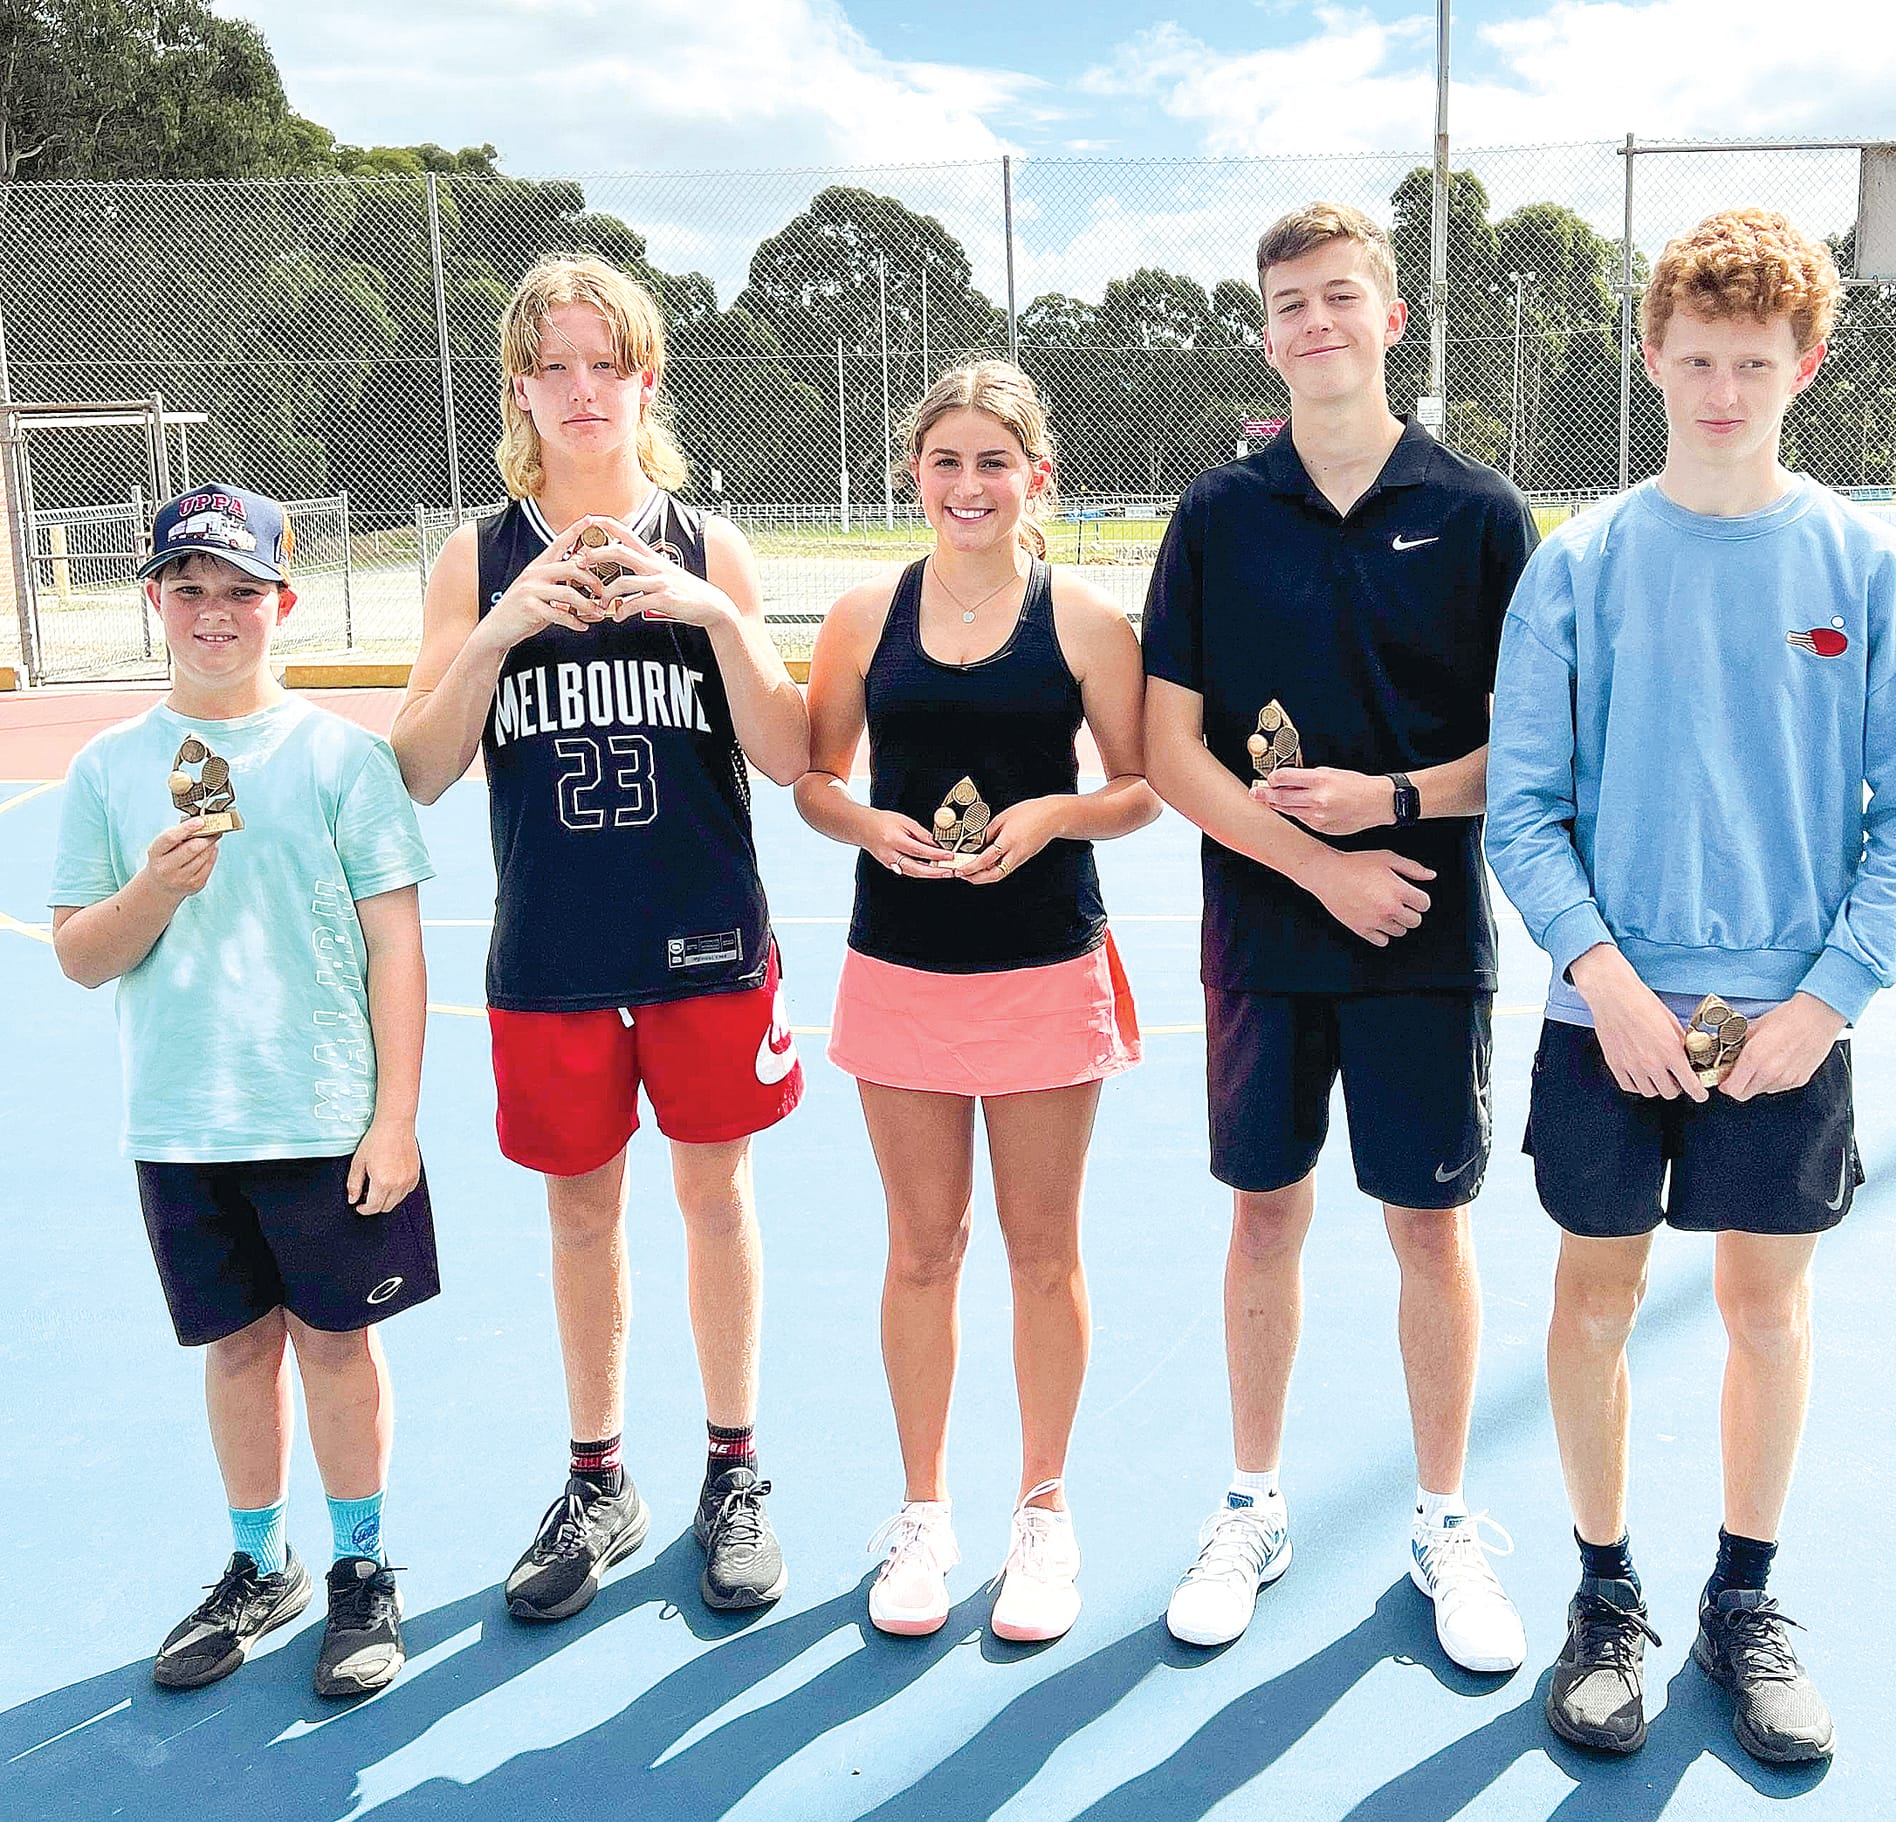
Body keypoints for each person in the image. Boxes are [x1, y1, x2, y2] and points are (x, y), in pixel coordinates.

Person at [1486, 208, 1896, 1763]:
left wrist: (1823, 1003)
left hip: (1788, 1024)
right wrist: (1600, 975)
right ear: (1654, 355)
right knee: (1595, 1297)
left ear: (1805, 364)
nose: (1724, 393)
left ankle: (1743, 1599)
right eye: (1697, 360)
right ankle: (1605, 1594)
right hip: (1604, 1017)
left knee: (1766, 1303)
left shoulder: (1867, 568)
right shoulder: (1582, 565)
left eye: (1755, 363)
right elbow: (1526, 811)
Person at [1141, 203, 1536, 1670]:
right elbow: (1172, 752)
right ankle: (1253, 1502)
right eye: (1289, 304)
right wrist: (1319, 863)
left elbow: (1530, 747)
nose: (1315, 323)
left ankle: (1443, 1517)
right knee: (1264, 1211)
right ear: (1266, 334)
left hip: (1425, 930)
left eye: (1340, 298)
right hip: (1268, 925)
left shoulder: (1482, 513)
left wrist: (1394, 802)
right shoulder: (1216, 514)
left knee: (1427, 1222)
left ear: (1392, 320)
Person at [391, 255, 809, 1618]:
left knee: (716, 1196)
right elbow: (419, 764)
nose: (583, 390)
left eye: (606, 363)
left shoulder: (709, 544)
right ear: (521, 388)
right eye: (556, 366)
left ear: (647, 380)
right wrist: (502, 630)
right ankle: (597, 1476)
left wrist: (714, 617)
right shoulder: (479, 554)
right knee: (582, 1212)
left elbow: (791, 751)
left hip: (701, 934)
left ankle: (734, 1468)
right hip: (555, 942)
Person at [51, 486, 436, 1698]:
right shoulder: (112, 767)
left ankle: (362, 1568)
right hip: (181, 1120)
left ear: (283, 602)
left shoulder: (340, 757)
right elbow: (78, 953)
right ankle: (258, 1560)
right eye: (190, 589)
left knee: (336, 1343)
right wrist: (155, 892)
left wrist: (394, 1116)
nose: (214, 613)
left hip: (322, 1115)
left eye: (239, 591)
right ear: (155, 600)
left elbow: (397, 946)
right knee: (233, 1350)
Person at [796, 360, 1156, 1642]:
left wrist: (1055, 811)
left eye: (992, 461)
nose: (967, 483)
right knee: (922, 1249)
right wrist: (866, 823)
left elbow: (1138, 786)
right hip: (899, 965)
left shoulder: (1086, 621)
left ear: (1034, 474)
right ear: (915, 472)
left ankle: (1042, 1515)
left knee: (1041, 1249)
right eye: (944, 460)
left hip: (1044, 962)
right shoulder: (860, 615)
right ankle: (924, 1514)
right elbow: (812, 778)